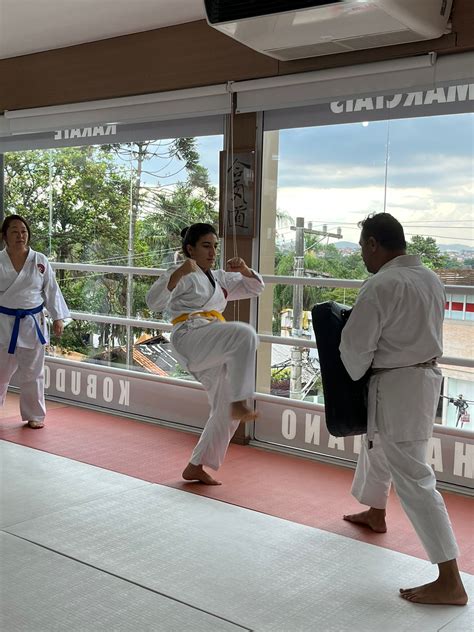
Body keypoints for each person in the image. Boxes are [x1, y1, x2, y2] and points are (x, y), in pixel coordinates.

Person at [339, 212, 467, 606]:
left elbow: (355, 351)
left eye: (363, 247)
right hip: (420, 379)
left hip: (397, 383)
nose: (362, 255)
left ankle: (450, 579)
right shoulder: (429, 277)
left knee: (413, 474)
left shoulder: (381, 284)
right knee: (379, 448)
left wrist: (347, 354)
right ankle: (376, 511)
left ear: (374, 244)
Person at [146, 223, 264, 485]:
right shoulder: (182, 273)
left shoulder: (219, 277)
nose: (213, 252)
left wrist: (244, 270)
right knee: (245, 334)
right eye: (206, 246)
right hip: (189, 335)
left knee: (225, 407)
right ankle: (241, 401)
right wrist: (178, 273)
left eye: (215, 247)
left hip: (211, 341)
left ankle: (196, 465)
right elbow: (153, 302)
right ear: (190, 249)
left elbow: (255, 289)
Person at [0, 214, 70, 429]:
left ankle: (35, 415)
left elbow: (51, 289)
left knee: (33, 372)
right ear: (4, 236)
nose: (20, 235)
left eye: (24, 231)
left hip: (32, 322)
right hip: (3, 322)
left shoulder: (40, 260)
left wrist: (58, 317)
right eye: (14, 231)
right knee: (0, 372)